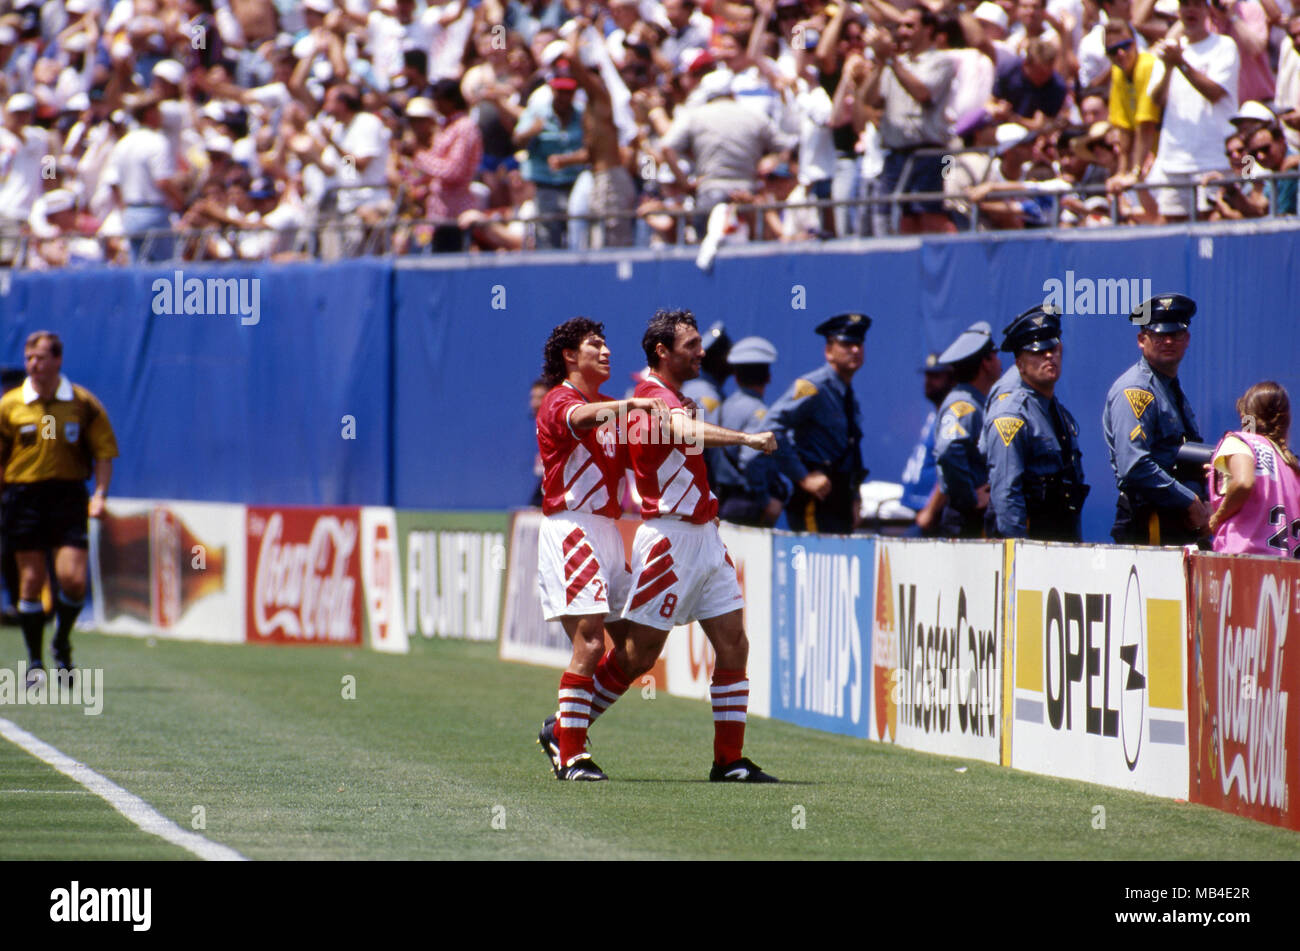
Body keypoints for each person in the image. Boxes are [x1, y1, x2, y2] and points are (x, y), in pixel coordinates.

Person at [617, 309, 780, 782]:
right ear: (662, 352)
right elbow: (684, 433)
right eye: (690, 345)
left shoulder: (676, 396)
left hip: (704, 536)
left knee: (733, 644)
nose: (701, 352)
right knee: (638, 657)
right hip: (670, 539)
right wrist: (747, 436)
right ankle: (567, 727)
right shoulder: (650, 397)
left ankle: (729, 762)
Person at [531, 317, 668, 781]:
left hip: (609, 532)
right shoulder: (559, 401)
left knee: (640, 648)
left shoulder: (611, 407)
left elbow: (647, 450)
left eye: (607, 344)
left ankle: (563, 728)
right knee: (589, 639)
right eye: (595, 345)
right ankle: (572, 758)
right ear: (571, 356)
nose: (606, 351)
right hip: (571, 529)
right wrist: (635, 404)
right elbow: (580, 419)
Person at [0, 332, 118, 688]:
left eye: (40, 357)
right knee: (32, 581)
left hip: (67, 496)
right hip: (24, 498)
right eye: (29, 358)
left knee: (73, 580)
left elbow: (104, 452)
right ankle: (35, 662)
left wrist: (99, 494)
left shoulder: (82, 403)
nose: (33, 365)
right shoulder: (10, 405)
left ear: (57, 361)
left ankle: (61, 641)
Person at [1103, 293, 1209, 545]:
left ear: (1187, 339)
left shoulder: (1169, 388)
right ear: (1142, 340)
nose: (1169, 341)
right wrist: (1190, 501)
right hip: (1149, 524)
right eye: (1160, 335)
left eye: (1176, 334)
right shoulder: (1136, 390)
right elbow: (1134, 466)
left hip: (1178, 523)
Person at [984, 306, 1089, 540]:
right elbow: (1006, 494)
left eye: (1052, 349)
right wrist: (1020, 552)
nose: (1048, 356)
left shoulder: (1054, 411)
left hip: (1058, 539)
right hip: (1030, 545)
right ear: (1020, 364)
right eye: (1037, 352)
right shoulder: (1011, 415)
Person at [766, 313, 870, 534]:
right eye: (847, 343)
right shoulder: (813, 386)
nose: (855, 350)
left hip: (840, 498)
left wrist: (854, 497)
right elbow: (770, 427)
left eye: (859, 343)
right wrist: (802, 476)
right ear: (829, 350)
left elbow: (851, 451)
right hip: (815, 499)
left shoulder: (848, 393)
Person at [1144, 0, 1240, 222]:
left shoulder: (1224, 46)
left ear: (1207, 10)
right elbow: (1157, 99)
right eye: (1185, 4)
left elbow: (1214, 92)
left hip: (1214, 157)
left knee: (1214, 224)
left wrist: (1180, 63)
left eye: (1197, 4)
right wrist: (1168, 66)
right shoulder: (1168, 51)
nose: (1190, 10)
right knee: (1173, 229)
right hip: (1174, 158)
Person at [1207, 382, 1300, 555]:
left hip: (1243, 559)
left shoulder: (1241, 441)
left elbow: (1243, 482)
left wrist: (1217, 517)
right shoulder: (1292, 464)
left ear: (1246, 417)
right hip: (1287, 567)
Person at [934, 321, 1002, 537]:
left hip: (973, 516)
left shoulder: (977, 402)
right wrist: (970, 497)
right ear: (986, 363)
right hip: (966, 518)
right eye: (995, 354)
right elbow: (948, 449)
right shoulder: (964, 406)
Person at [717, 336, 789, 527]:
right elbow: (750, 459)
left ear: (736, 376)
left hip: (724, 500)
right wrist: (765, 500)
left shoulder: (723, 407)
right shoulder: (760, 413)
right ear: (768, 377)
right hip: (749, 506)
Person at [899, 352, 953, 534]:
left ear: (952, 380)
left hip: (936, 516)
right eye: (928, 376)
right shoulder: (935, 415)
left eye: (936, 376)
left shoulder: (950, 418)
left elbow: (949, 467)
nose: (929, 381)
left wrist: (931, 509)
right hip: (918, 510)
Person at [681, 321, 730, 487]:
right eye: (726, 356)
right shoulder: (706, 395)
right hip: (700, 480)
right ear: (716, 360)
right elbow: (713, 444)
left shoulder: (700, 388)